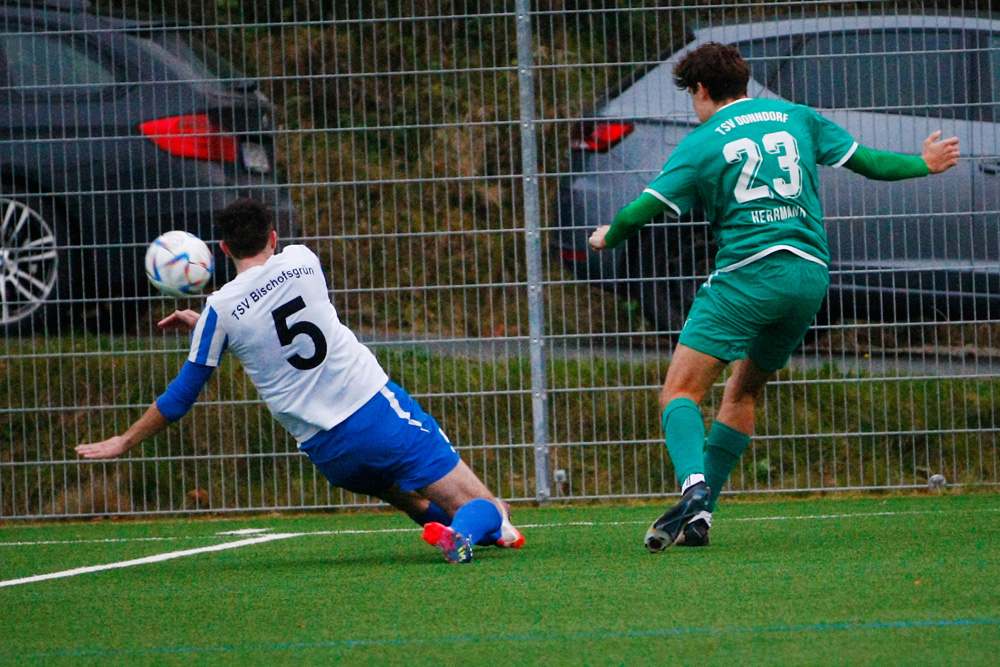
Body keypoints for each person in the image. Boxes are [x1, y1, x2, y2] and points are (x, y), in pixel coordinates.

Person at [588, 43, 960, 551]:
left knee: (680, 393)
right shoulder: (798, 118)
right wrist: (924, 163)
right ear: (744, 80)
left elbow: (642, 209)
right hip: (808, 279)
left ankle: (693, 484)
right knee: (742, 392)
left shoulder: (701, 143)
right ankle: (702, 517)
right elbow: (870, 162)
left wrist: (608, 235)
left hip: (747, 278)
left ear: (700, 90)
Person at [76, 198, 525, 564]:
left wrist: (124, 440)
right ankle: (464, 534)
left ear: (223, 249)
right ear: (273, 238)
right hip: (377, 416)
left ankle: (445, 525)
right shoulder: (303, 261)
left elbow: (181, 397)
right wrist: (211, 325)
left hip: (330, 454)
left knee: (407, 492)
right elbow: (279, 309)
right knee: (489, 509)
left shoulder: (219, 311)